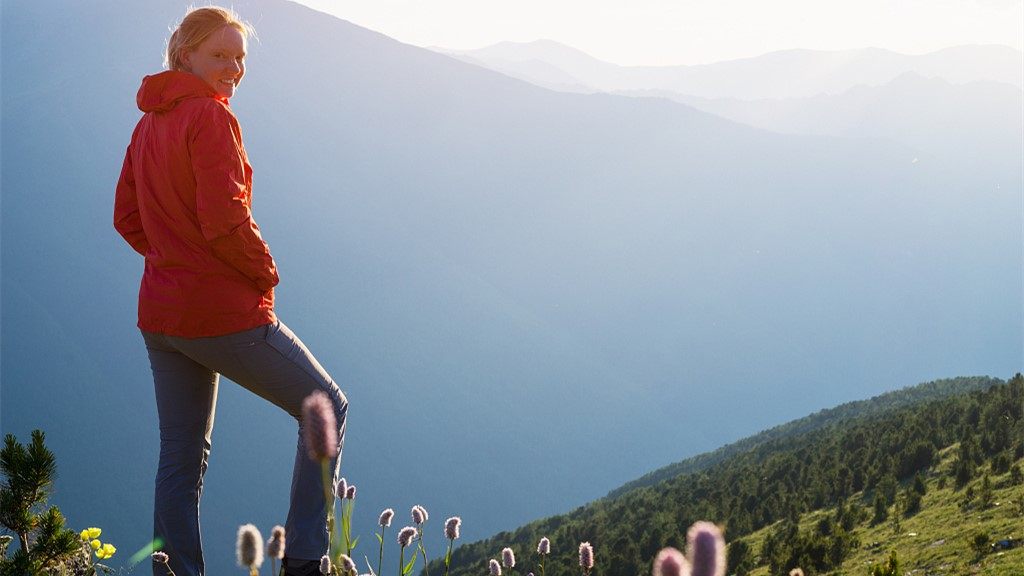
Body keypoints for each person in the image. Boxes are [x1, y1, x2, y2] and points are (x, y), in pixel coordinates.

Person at [113, 7, 347, 576]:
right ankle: (305, 560)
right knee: (326, 405)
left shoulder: (149, 124)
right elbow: (225, 220)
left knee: (180, 453)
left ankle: (173, 570)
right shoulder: (211, 118)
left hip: (161, 317)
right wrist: (265, 271)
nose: (233, 68)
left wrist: (173, 259)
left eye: (239, 57)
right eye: (220, 55)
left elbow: (127, 218)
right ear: (185, 54)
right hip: (220, 313)